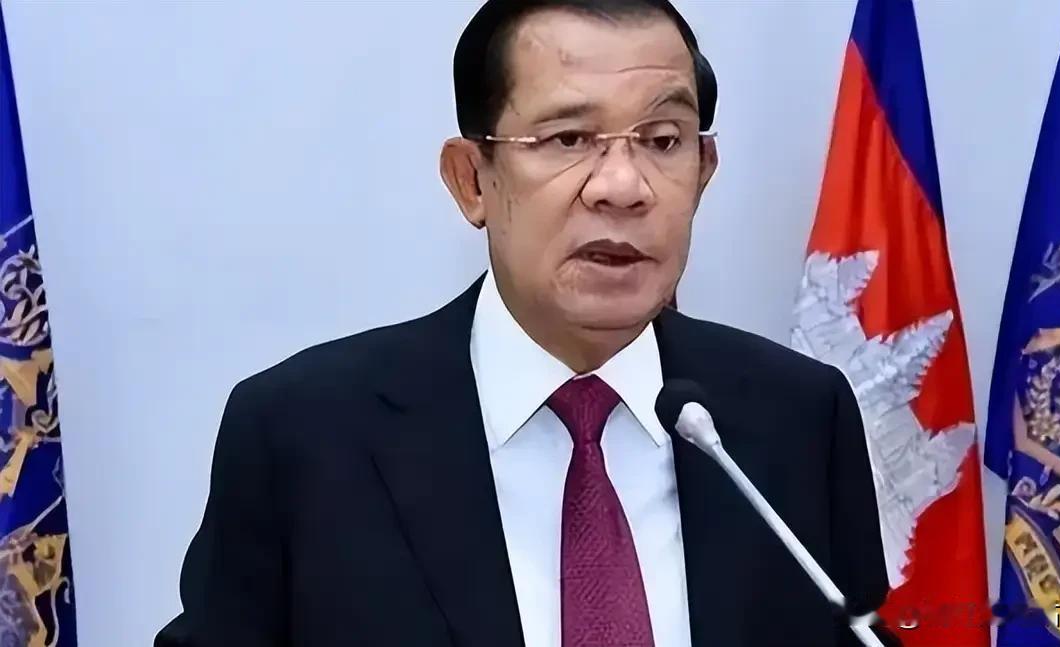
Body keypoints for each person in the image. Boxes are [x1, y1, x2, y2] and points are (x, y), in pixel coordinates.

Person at [156, 1, 890, 645]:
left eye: (663, 140)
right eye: (568, 139)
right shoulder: (302, 434)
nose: (624, 186)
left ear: (703, 170)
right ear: (471, 180)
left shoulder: (797, 418)